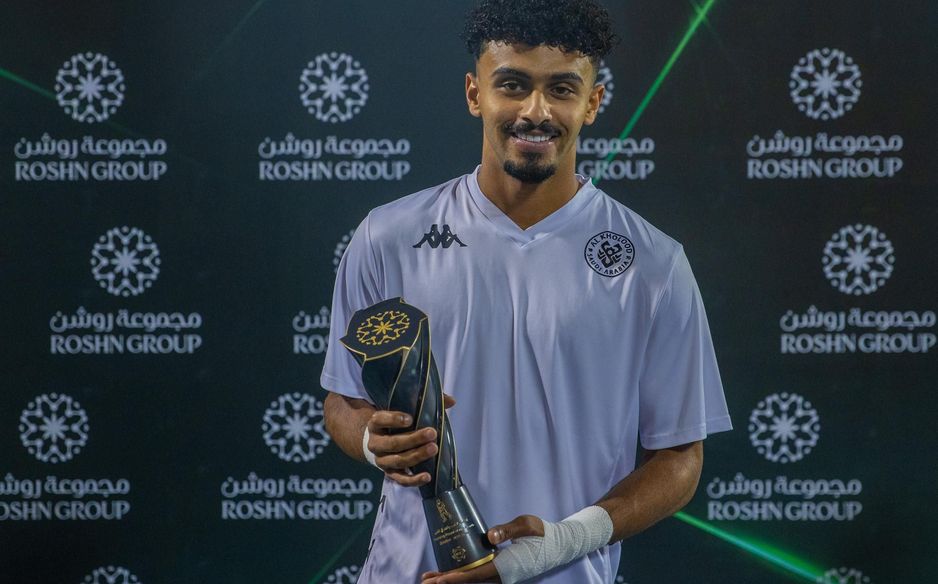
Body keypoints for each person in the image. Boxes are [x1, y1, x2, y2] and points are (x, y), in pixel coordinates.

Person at [321, 0, 732, 582]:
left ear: (592, 102)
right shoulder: (389, 236)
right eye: (512, 85)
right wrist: (369, 440)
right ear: (474, 94)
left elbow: (680, 459)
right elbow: (341, 401)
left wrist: (557, 544)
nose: (535, 111)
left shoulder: (653, 264)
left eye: (561, 89)